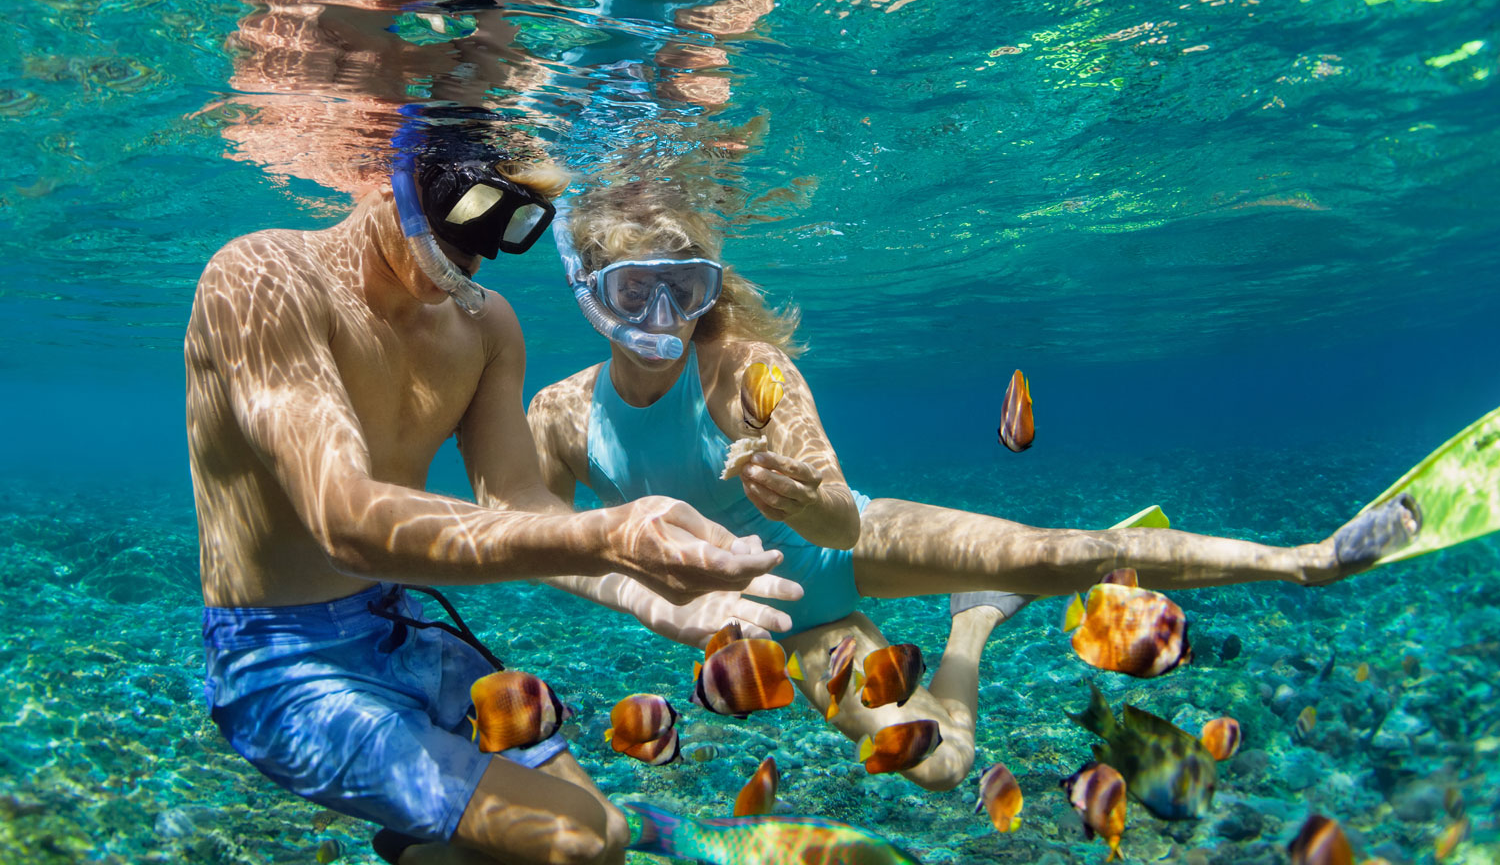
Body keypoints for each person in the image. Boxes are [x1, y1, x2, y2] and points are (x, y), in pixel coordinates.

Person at [525, 179, 1421, 793]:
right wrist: (636, 585)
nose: (663, 318)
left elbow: (837, 509)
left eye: (686, 289)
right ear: (590, 295)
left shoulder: (744, 370)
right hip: (792, 628)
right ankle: (975, 619)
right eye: (635, 290)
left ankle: (1306, 560)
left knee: (1063, 554)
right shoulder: (560, 415)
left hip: (855, 543)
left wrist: (800, 495)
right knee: (942, 768)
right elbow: (532, 539)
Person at [185, 132, 803, 865]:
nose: (473, 259)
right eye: (463, 221)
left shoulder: (485, 324)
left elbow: (516, 501)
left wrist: (641, 593)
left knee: (590, 839)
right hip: (281, 662)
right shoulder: (260, 276)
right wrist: (607, 539)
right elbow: (341, 518)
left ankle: (420, 844)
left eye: (508, 230)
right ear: (398, 174)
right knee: (580, 841)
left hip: (401, 630)